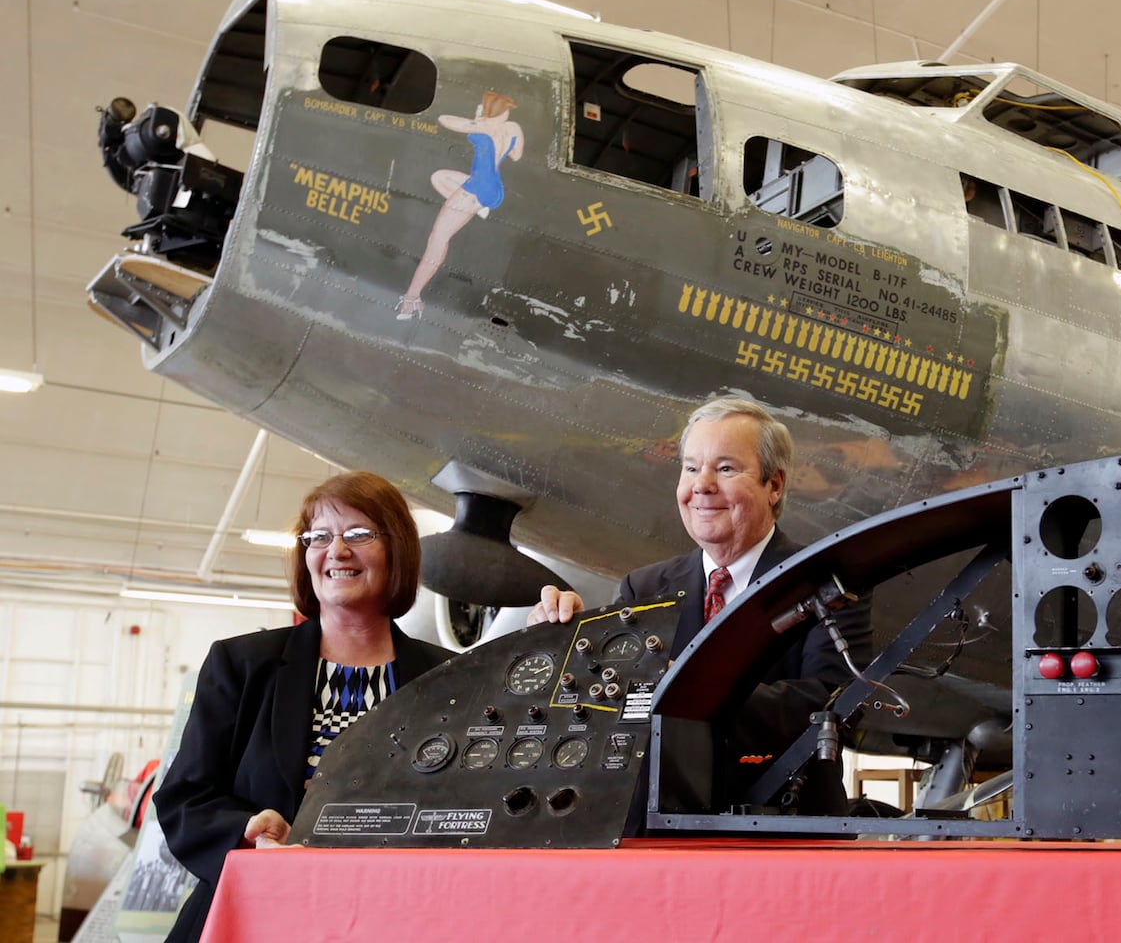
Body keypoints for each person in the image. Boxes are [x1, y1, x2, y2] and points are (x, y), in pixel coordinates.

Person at [154, 472, 455, 943]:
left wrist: (556, 634)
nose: (337, 551)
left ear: (397, 551)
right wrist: (246, 830)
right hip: (259, 916)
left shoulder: (450, 678)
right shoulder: (242, 664)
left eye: (359, 534)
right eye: (319, 537)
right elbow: (184, 796)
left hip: (395, 920)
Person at [529, 398, 873, 809]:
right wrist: (561, 646)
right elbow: (606, 712)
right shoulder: (643, 588)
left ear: (774, 485)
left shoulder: (826, 580)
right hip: (657, 831)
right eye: (691, 468)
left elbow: (836, 709)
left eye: (725, 469)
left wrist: (694, 690)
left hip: (784, 832)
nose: (701, 485)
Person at [396, 90, 525, 319]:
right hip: (493, 189)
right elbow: (516, 155)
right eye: (505, 110)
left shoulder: (482, 126)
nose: (506, 114)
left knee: (437, 241)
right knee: (440, 177)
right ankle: (480, 208)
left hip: (473, 189)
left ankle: (411, 298)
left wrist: (477, 120)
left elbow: (445, 120)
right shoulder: (513, 128)